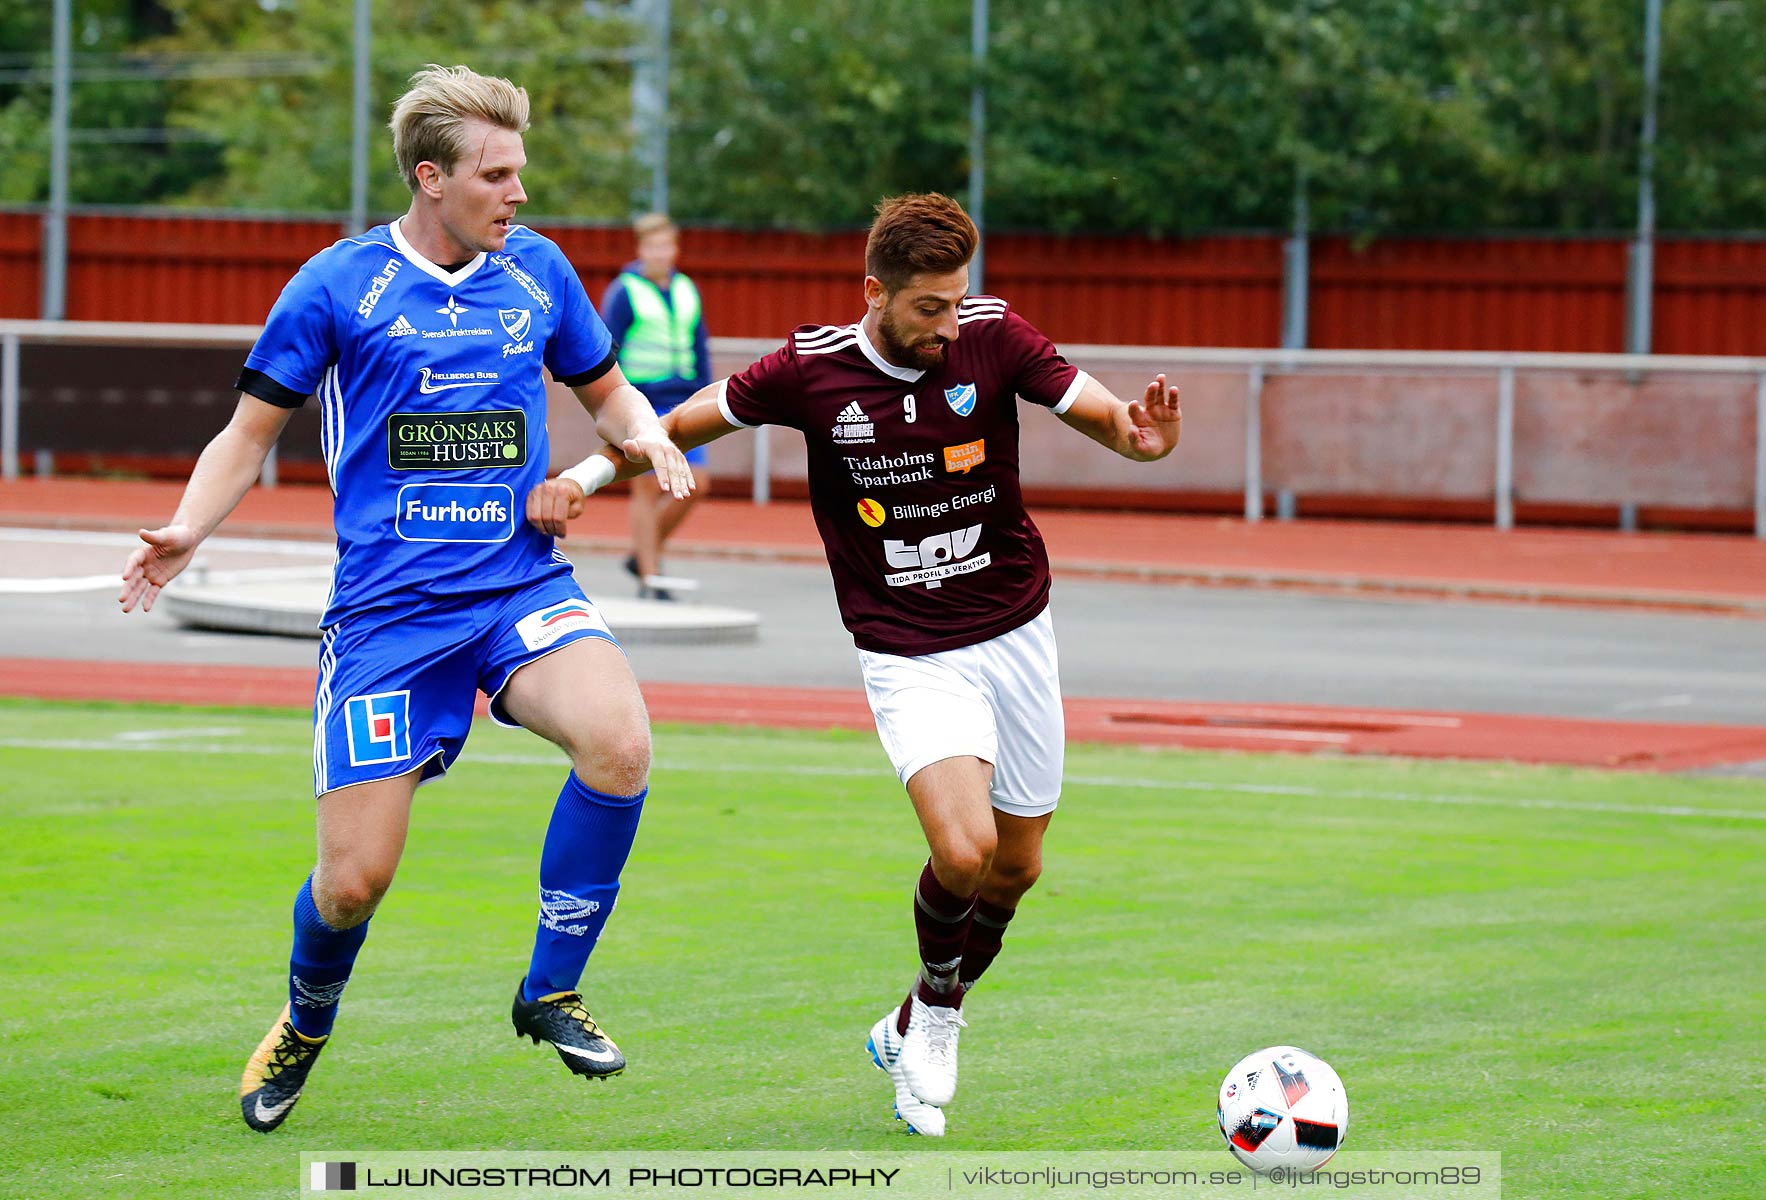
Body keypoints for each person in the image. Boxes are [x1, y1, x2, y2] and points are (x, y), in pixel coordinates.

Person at [530, 193, 1180, 1136]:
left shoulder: (995, 336)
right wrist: (581, 479)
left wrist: (1143, 437)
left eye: (959, 302)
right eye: (929, 308)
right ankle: (945, 1018)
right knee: (965, 850)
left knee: (1018, 869)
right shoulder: (812, 369)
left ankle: (913, 1013)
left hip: (1017, 631)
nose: (949, 325)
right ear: (874, 292)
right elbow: (675, 425)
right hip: (909, 651)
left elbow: (1114, 421)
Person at [119, 64, 692, 1133]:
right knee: (353, 884)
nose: (521, 194)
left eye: (521, 172)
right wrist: (189, 529)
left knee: (620, 742)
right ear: (432, 178)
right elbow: (249, 434)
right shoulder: (338, 287)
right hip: (389, 618)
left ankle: (551, 990)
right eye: (498, 174)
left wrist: (644, 435)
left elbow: (607, 392)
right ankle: (305, 1018)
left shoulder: (540, 273)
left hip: (518, 585)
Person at [600, 213, 713, 600]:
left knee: (696, 484)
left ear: (675, 248)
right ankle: (651, 575)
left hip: (684, 398)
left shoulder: (686, 289)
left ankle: (641, 554)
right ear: (641, 248)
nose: (660, 253)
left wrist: (708, 391)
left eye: (666, 245)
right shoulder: (624, 291)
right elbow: (606, 349)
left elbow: (698, 345)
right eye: (653, 246)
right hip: (643, 400)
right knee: (647, 487)